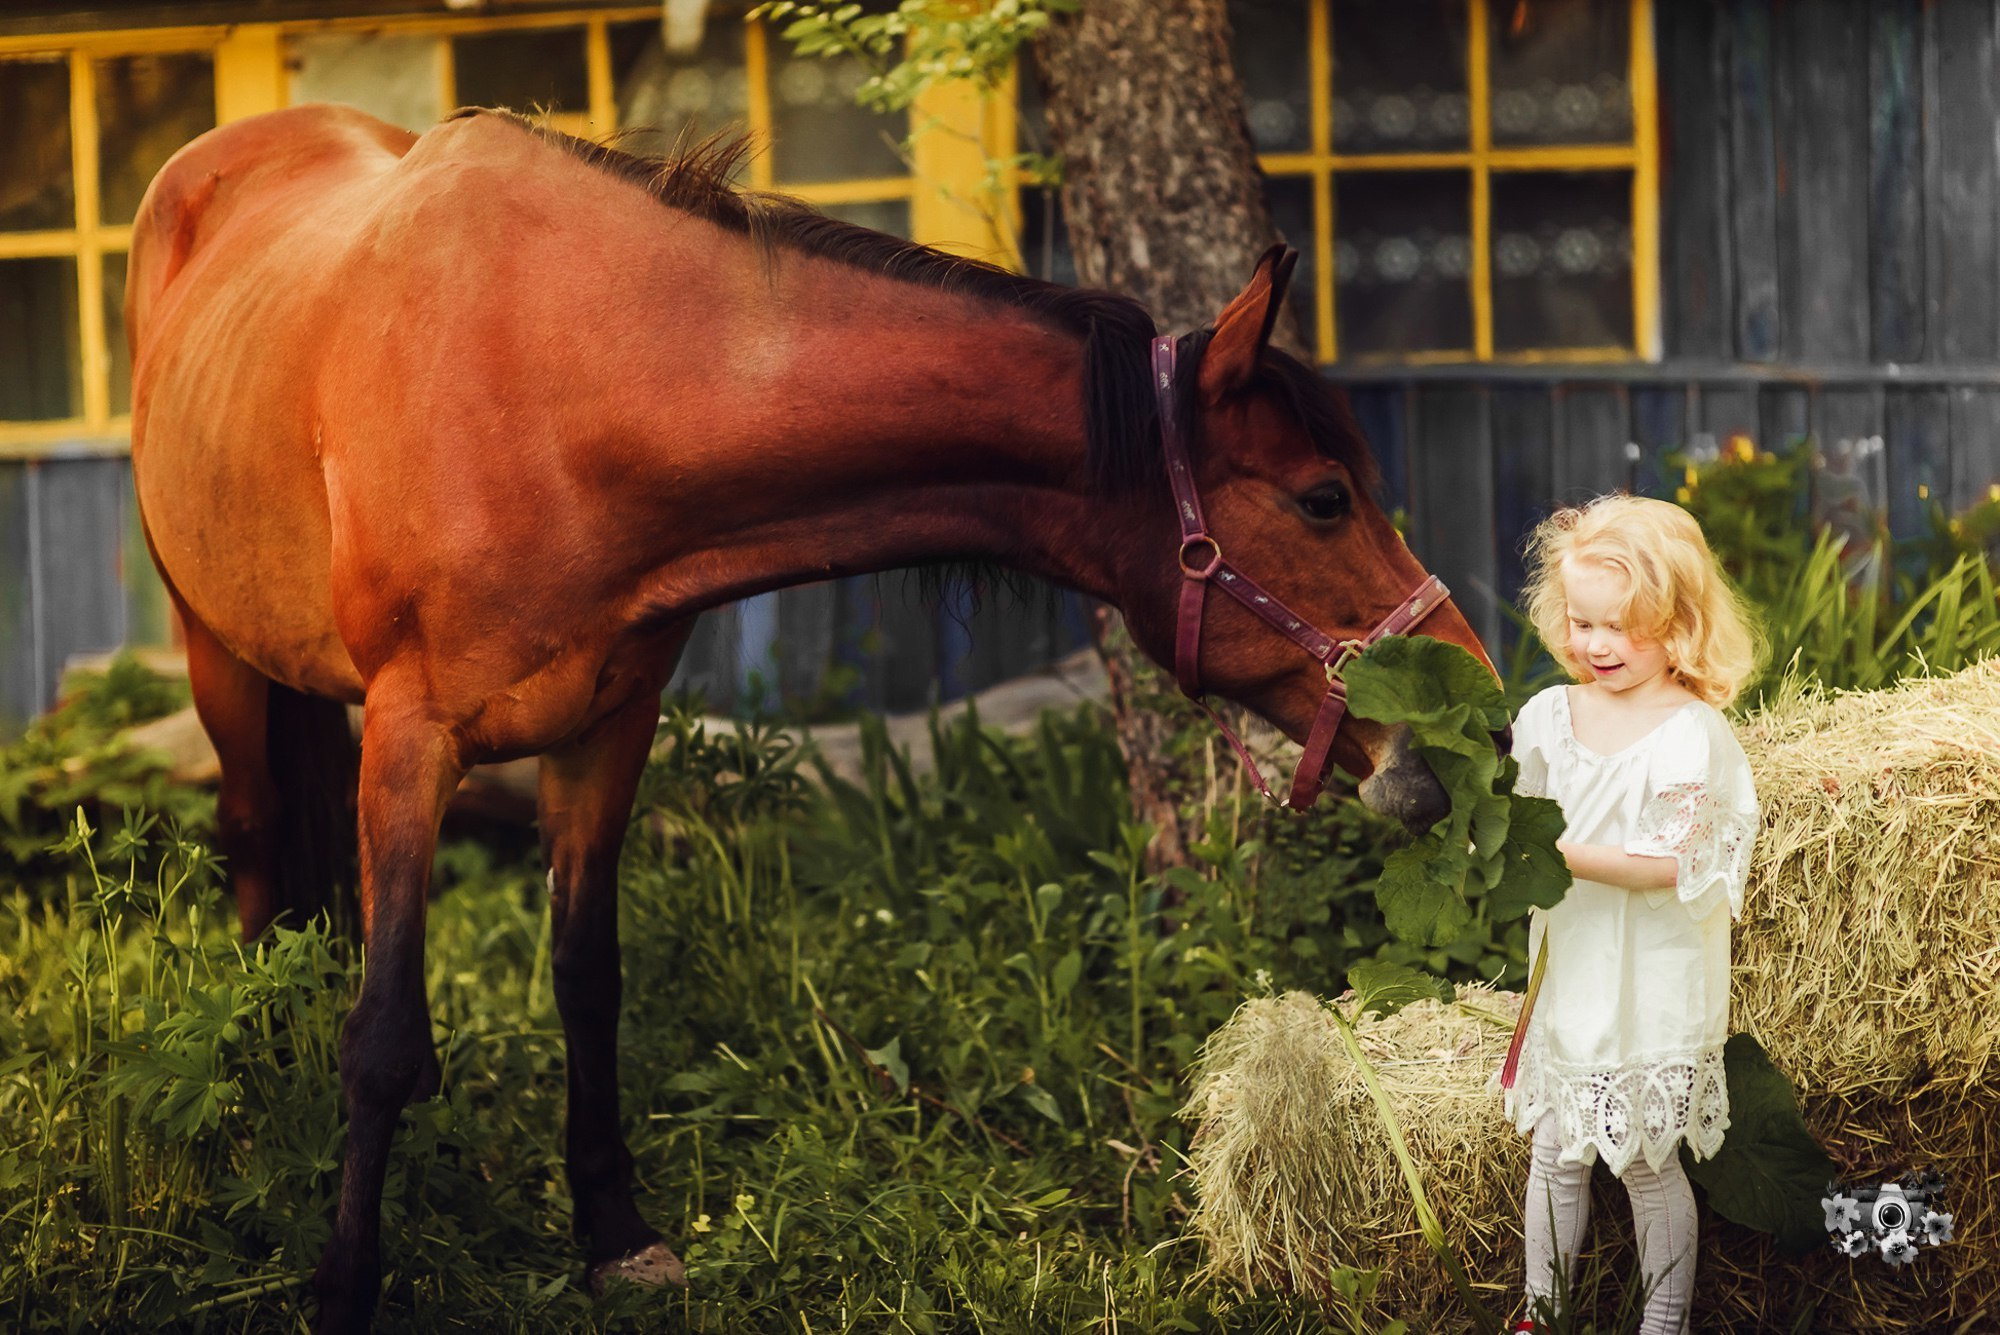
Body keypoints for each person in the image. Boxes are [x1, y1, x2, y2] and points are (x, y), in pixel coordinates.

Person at [1493, 494, 1765, 1335]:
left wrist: (1552, 851)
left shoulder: (1690, 734)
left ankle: (1664, 1321)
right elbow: (1507, 808)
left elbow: (1664, 864)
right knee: (1555, 1151)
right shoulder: (1547, 717)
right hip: (1573, 963)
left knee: (1649, 1163)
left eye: (1622, 627)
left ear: (1678, 623)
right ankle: (1542, 1312)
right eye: (1581, 622)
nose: (1596, 645)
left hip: (1649, 974)